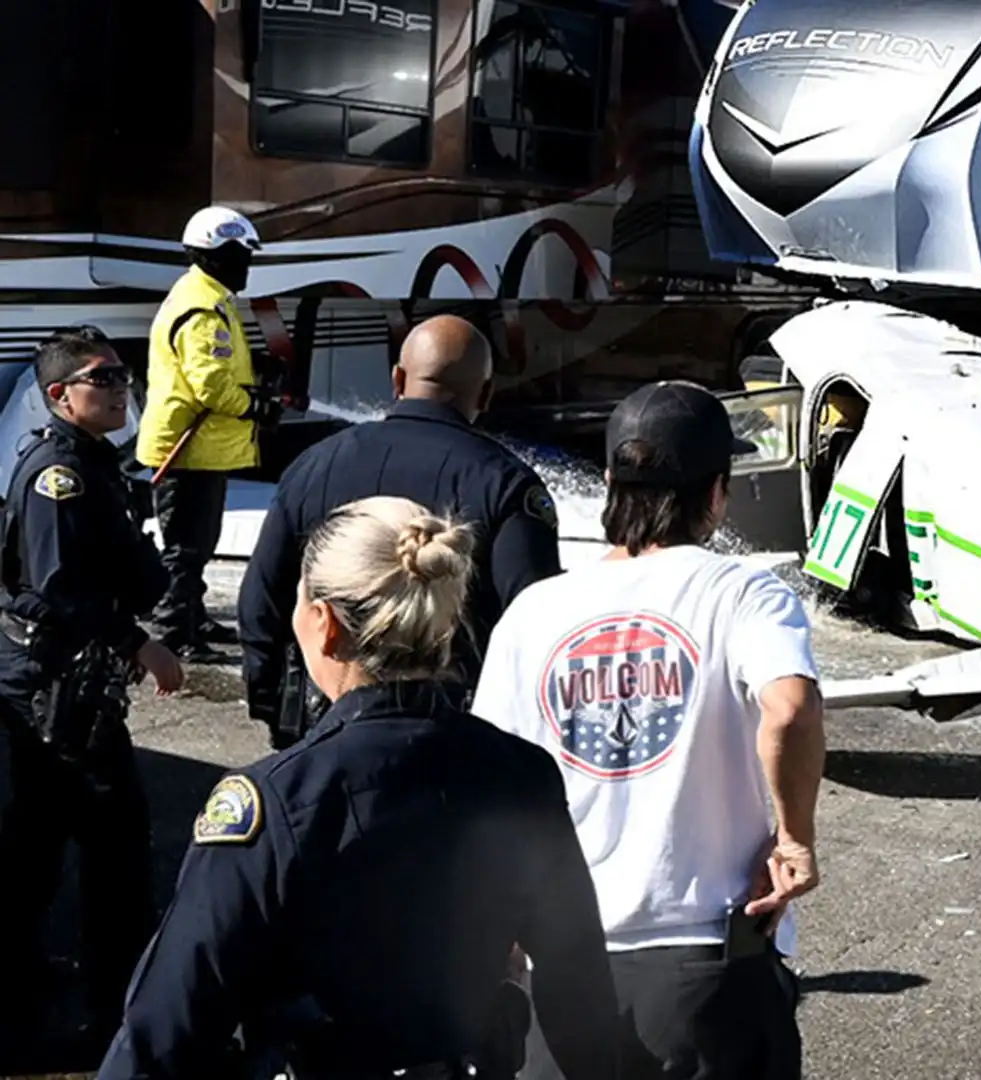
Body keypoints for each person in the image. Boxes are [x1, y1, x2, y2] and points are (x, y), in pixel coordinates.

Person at [97, 496, 620, 1080]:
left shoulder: (276, 799)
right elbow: (582, 999)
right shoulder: (520, 774)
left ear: (324, 623)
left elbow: (166, 1029)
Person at [472, 380, 825, 1080]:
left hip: (566, 963)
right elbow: (788, 708)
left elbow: (490, 782)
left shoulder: (535, 612)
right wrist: (795, 838)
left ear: (609, 482)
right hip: (710, 961)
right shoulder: (744, 592)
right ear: (717, 492)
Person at [237, 314, 562, 748]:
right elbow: (536, 625)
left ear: (397, 379)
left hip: (326, 724)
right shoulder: (506, 485)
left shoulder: (316, 465)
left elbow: (262, 599)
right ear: (485, 394)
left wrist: (272, 704)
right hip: (455, 736)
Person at [0, 329, 184, 1053]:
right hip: (57, 688)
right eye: (100, 377)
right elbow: (57, 590)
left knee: (37, 842)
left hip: (68, 685)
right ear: (59, 397)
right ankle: (121, 1008)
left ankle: (19, 976)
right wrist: (138, 643)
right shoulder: (59, 476)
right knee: (115, 848)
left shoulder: (93, 463)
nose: (118, 386)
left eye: (121, 374)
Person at [136, 205, 284, 663]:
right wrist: (256, 407)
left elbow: (218, 366)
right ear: (214, 255)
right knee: (185, 548)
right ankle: (174, 631)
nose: (247, 265)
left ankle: (192, 615)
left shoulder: (208, 295)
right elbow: (211, 385)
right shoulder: (202, 307)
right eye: (241, 255)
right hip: (188, 449)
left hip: (203, 450)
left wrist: (256, 367)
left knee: (199, 544)